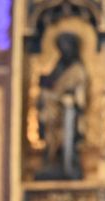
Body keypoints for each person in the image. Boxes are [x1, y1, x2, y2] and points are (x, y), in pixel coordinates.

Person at [36, 32, 88, 180]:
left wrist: (67, 99)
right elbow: (51, 88)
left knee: (66, 138)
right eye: (62, 48)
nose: (65, 51)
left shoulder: (77, 70)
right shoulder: (58, 68)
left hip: (69, 114)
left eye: (67, 47)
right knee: (51, 137)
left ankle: (68, 164)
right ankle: (53, 159)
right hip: (53, 115)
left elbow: (80, 98)